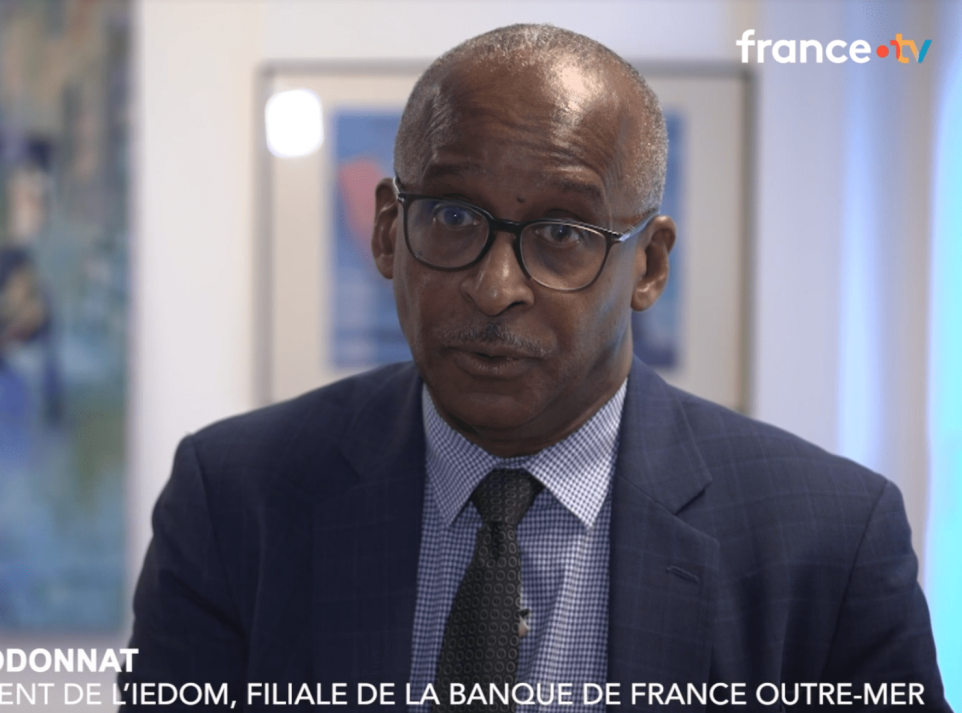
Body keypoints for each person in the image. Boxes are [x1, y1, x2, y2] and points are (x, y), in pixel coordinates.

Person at [123, 24, 949, 712]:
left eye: (562, 233)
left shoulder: (827, 543)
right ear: (386, 233)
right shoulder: (236, 499)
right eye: (453, 216)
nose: (495, 287)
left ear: (650, 266)